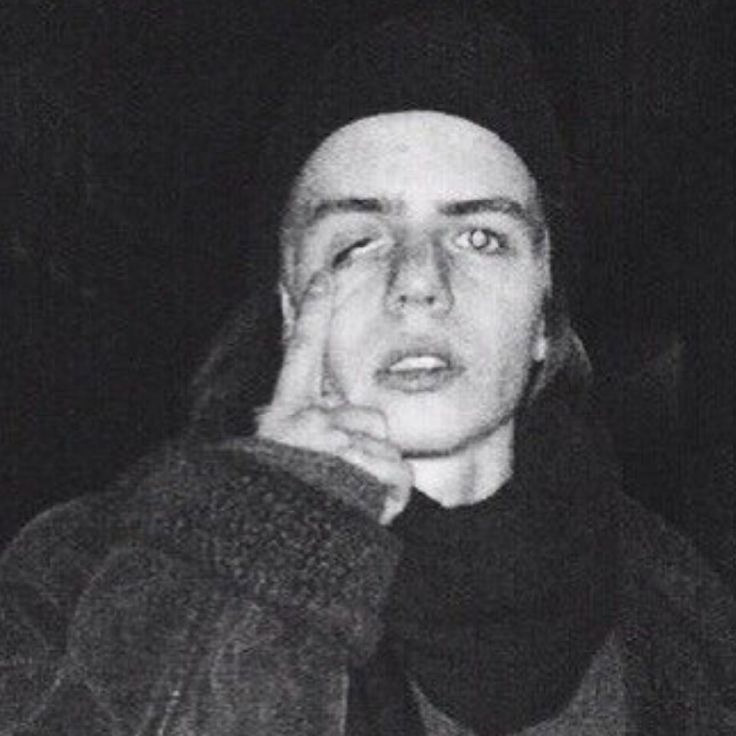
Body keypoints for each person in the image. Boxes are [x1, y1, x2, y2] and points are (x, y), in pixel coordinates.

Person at [1, 10, 734, 735]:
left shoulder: (687, 614)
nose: (419, 280)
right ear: (290, 305)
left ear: (545, 312)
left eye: (481, 236)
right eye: (358, 242)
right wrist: (268, 545)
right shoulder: (78, 577)